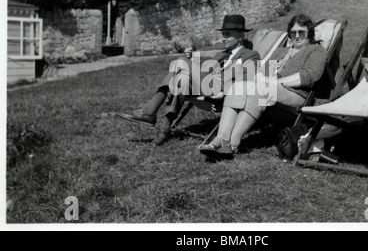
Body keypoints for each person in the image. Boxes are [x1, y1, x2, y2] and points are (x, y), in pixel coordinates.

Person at [117, 14, 260, 146]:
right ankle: (164, 130)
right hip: (208, 85)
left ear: (240, 35)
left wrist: (226, 91)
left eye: (227, 34)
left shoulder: (250, 55)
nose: (223, 38)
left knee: (181, 62)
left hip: (222, 91)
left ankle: (149, 112)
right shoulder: (220, 55)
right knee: (181, 79)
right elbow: (205, 72)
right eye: (223, 34)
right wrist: (192, 61)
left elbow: (247, 80)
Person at [199, 14, 327, 159]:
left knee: (261, 89)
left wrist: (274, 82)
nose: (297, 36)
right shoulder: (282, 51)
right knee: (237, 86)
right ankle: (221, 138)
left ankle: (232, 142)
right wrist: (260, 78)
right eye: (293, 32)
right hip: (269, 89)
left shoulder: (315, 50)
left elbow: (308, 76)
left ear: (309, 33)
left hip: (296, 95)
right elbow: (262, 69)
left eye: (302, 32)